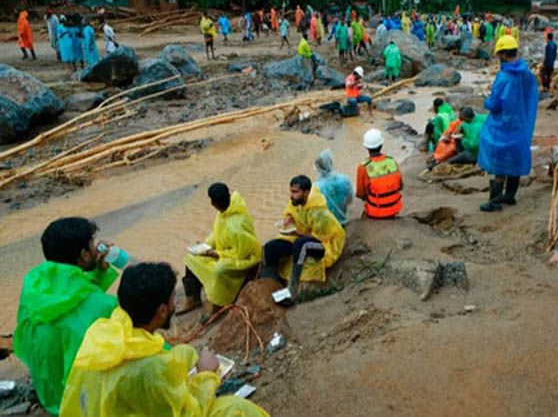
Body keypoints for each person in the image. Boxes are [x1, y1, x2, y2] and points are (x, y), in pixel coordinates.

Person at [59, 263, 269, 417]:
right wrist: (206, 375)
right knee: (237, 409)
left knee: (184, 353)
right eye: (171, 300)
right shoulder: (150, 368)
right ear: (161, 310)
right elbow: (190, 415)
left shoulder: (103, 330)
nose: (174, 305)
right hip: (141, 386)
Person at [14, 217, 118, 415]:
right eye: (92, 245)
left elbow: (73, 301)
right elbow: (88, 307)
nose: (97, 249)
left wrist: (98, 273)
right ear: (84, 255)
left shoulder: (35, 286)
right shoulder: (103, 306)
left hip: (48, 394)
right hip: (78, 404)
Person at [478, 35, 538, 212]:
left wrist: (486, 102)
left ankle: (494, 201)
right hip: (520, 126)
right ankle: (510, 195)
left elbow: (495, 103)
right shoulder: (526, 73)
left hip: (502, 128)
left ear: (503, 54)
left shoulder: (504, 77)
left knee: (498, 164)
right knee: (515, 161)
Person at [181, 183, 261, 317]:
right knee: (191, 259)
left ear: (213, 202)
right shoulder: (224, 214)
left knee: (220, 270)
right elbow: (217, 234)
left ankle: (217, 302)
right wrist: (205, 246)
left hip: (245, 259)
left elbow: (240, 253)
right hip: (226, 253)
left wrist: (216, 254)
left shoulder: (237, 224)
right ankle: (193, 298)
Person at [260, 176, 345, 299]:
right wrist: (288, 217)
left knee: (301, 244)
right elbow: (291, 209)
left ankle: (292, 288)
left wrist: (296, 232)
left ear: (306, 193)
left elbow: (321, 237)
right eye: (291, 191)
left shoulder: (319, 213)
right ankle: (269, 283)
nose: (291, 195)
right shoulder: (297, 202)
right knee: (270, 247)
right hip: (301, 235)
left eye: (295, 192)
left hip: (325, 244)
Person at [356, 129, 403, 218]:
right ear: (381, 145)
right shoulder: (392, 161)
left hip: (375, 211)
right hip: (395, 207)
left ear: (366, 147)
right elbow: (400, 186)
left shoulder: (363, 167)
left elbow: (360, 194)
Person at [314, 149, 353, 226]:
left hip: (327, 225)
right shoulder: (345, 179)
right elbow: (350, 200)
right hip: (342, 219)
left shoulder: (316, 187)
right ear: (331, 163)